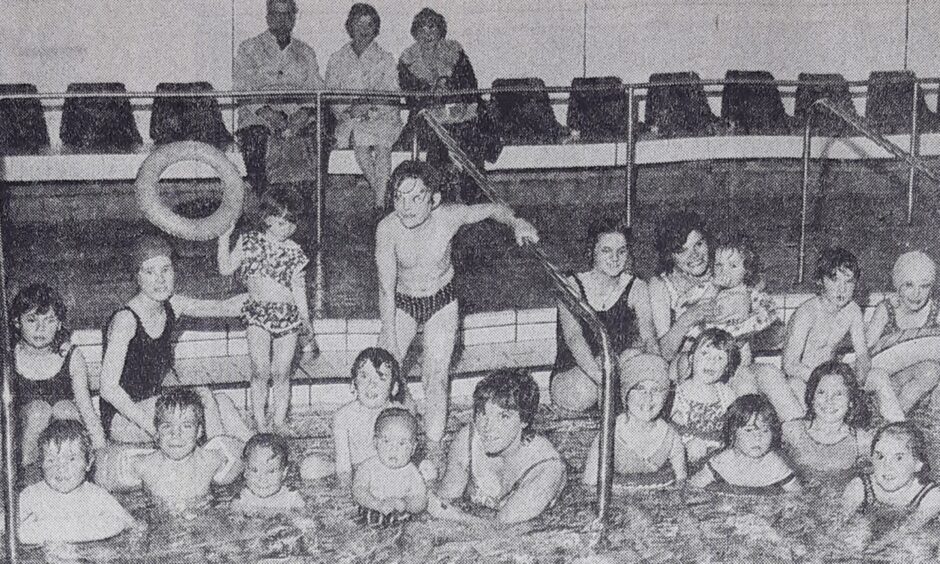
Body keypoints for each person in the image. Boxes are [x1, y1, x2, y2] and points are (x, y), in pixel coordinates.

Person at [375, 161, 539, 460]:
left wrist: (517, 222)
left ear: (434, 199)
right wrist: (391, 345)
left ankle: (434, 448)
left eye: (416, 198)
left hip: (441, 300)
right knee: (386, 370)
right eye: (399, 197)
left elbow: (493, 209)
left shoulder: (448, 216)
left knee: (436, 376)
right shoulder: (388, 230)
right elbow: (386, 290)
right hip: (402, 301)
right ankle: (401, 423)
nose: (406, 207)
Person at [647, 211, 803, 421]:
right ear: (669, 255)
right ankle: (743, 435)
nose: (694, 256)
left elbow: (762, 308)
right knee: (742, 378)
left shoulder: (723, 268)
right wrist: (690, 316)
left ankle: (800, 437)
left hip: (733, 360)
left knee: (770, 374)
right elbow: (663, 353)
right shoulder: (661, 285)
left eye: (699, 244)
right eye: (682, 250)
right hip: (690, 366)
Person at [98, 234, 251, 443]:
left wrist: (268, 294)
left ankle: (259, 450)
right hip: (124, 419)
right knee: (203, 398)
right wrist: (154, 428)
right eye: (149, 272)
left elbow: (223, 307)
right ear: (137, 277)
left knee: (222, 401)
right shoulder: (126, 320)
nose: (160, 279)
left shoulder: (173, 305)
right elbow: (108, 389)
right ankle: (216, 457)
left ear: (174, 271)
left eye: (165, 270)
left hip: (154, 406)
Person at [218, 187, 313, 432]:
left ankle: (279, 421)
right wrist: (222, 238)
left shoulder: (295, 252)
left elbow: (298, 289)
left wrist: (305, 320)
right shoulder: (249, 241)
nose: (288, 228)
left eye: (292, 223)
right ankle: (259, 420)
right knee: (260, 370)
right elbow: (226, 268)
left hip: (288, 316)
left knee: (282, 372)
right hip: (258, 314)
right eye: (282, 222)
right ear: (267, 219)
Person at [550, 216, 660, 412]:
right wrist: (603, 378)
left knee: (633, 356)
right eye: (606, 251)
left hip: (614, 371)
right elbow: (574, 338)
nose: (615, 258)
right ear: (592, 251)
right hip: (577, 376)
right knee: (593, 381)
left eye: (621, 251)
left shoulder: (637, 287)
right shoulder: (571, 285)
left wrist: (656, 372)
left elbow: (649, 336)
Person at [428, 369, 566, 525]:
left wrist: (453, 516)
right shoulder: (468, 440)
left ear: (524, 420)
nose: (488, 427)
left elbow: (502, 530)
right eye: (483, 413)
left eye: (503, 416)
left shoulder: (545, 470)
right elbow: (446, 499)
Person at [783, 247, 902, 422]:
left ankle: (899, 427)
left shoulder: (852, 311)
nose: (842, 289)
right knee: (796, 386)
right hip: (805, 378)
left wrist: (857, 381)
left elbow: (862, 354)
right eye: (834, 280)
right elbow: (790, 365)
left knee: (878, 376)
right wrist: (825, 381)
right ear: (820, 281)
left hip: (833, 375)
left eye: (849, 282)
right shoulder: (807, 313)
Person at [398, 8, 500, 203]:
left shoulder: (455, 51)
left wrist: (458, 98)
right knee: (439, 146)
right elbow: (410, 98)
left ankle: (474, 198)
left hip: (460, 114)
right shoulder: (407, 58)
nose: (428, 34)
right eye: (423, 28)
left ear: (440, 30)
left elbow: (471, 84)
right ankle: (439, 199)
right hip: (428, 117)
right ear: (415, 32)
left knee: (470, 140)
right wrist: (432, 93)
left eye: (432, 27)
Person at [234, 0, 325, 194]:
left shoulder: (306, 51)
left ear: (294, 18)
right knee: (254, 139)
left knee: (319, 136)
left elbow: (316, 87)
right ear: (267, 17)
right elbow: (242, 87)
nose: (281, 20)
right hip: (258, 115)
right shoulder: (249, 48)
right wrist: (267, 113)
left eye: (287, 14)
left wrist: (305, 112)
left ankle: (309, 212)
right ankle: (265, 207)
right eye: (276, 14)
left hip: (298, 115)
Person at [9, 282, 105, 465]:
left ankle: (69, 475)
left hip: (60, 447)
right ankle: (29, 480)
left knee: (65, 409)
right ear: (17, 322)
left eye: (49, 320)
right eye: (31, 320)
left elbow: (87, 411)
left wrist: (101, 453)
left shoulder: (71, 356)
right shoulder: (9, 358)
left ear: (59, 324)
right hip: (21, 448)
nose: (40, 329)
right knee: (39, 410)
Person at [102, 389, 244, 507]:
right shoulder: (144, 465)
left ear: (199, 431)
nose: (176, 434)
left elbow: (243, 454)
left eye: (186, 426)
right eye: (167, 426)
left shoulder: (212, 461)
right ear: (156, 432)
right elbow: (103, 472)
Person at [326, 3, 403, 211]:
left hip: (382, 116)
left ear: (376, 28)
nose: (364, 29)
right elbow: (332, 95)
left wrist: (370, 106)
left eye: (370, 24)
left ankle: (379, 204)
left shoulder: (386, 58)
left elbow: (392, 91)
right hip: (351, 119)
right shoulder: (337, 59)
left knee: (382, 148)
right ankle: (385, 195)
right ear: (350, 26)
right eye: (358, 24)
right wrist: (350, 111)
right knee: (360, 147)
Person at [298, 347, 407, 486]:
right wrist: (348, 493)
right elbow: (343, 466)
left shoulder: (398, 415)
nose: (371, 384)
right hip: (352, 467)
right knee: (309, 467)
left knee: (428, 470)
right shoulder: (344, 416)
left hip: (387, 465)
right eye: (364, 376)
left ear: (394, 388)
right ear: (353, 384)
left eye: (380, 378)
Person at [18, 420, 137, 545]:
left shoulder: (96, 495)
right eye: (51, 460)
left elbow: (129, 522)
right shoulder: (32, 496)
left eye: (71, 459)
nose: (61, 468)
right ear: (40, 463)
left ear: (88, 462)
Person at [582, 354, 686, 488]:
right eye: (639, 388)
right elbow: (589, 486)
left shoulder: (671, 438)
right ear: (626, 395)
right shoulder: (609, 435)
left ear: (665, 397)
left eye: (656, 390)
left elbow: (682, 485)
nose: (648, 398)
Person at [841, 422, 940, 553]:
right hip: (869, 521)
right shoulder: (860, 486)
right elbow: (835, 524)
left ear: (918, 464)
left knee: (918, 544)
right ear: (871, 459)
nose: (887, 466)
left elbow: (909, 527)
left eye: (898, 458)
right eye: (880, 456)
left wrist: (878, 547)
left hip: (900, 535)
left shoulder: (931, 495)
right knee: (856, 534)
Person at [864, 251, 940, 417]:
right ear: (898, 286)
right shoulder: (886, 310)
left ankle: (896, 422)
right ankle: (893, 423)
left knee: (931, 371)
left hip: (921, 390)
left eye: (924, 286)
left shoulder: (936, 311)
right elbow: (865, 352)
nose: (916, 294)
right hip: (886, 384)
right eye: (909, 285)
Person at [690, 394, 801, 493]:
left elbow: (799, 497)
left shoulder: (775, 466)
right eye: (749, 430)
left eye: (765, 430)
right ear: (732, 433)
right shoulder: (721, 462)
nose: (758, 437)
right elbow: (692, 489)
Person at [782, 361, 871, 475]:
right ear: (812, 397)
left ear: (851, 401)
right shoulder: (792, 431)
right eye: (821, 392)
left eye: (838, 394)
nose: (829, 400)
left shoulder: (861, 440)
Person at [670, 328, 740, 463]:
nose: (711, 361)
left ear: (726, 367)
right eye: (705, 353)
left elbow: (733, 429)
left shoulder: (726, 395)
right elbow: (669, 432)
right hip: (686, 455)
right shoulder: (678, 393)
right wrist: (687, 443)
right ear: (691, 359)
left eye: (719, 358)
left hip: (718, 457)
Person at [352, 407, 427, 527]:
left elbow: (421, 500)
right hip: (369, 517)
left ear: (413, 448)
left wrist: (406, 504)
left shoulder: (412, 472)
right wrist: (377, 504)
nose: (393, 449)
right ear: (375, 442)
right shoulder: (368, 467)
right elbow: (358, 491)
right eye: (386, 441)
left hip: (401, 520)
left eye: (402, 443)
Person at [233, 433, 304, 513]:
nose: (262, 478)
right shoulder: (242, 500)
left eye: (271, 471)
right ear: (245, 471)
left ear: (284, 472)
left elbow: (305, 521)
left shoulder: (292, 500)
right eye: (254, 470)